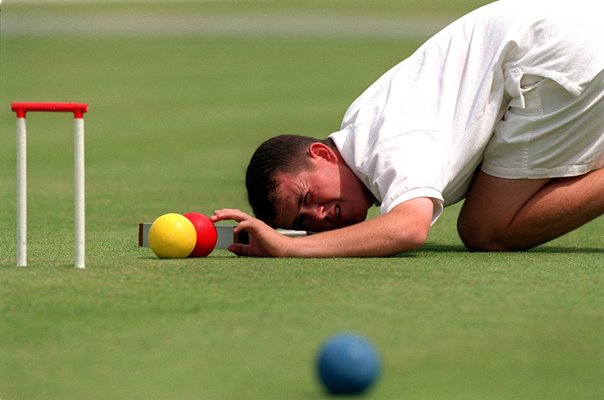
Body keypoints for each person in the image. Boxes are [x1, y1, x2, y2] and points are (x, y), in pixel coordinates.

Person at [211, 0, 604, 257]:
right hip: (560, 39)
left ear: (321, 154)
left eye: (306, 197)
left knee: (486, 230)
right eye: (300, 223)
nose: (317, 217)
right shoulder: (360, 127)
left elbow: (408, 228)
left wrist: (289, 248)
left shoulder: (386, 145)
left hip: (552, 58)